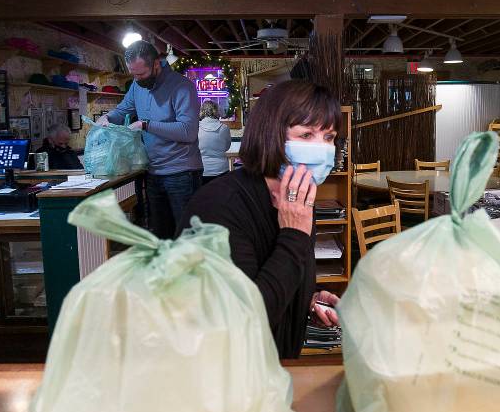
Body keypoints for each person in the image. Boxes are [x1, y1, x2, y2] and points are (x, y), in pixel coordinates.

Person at [178, 80, 341, 359]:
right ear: (271, 134)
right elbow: (241, 323)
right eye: (306, 135)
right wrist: (294, 235)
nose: (323, 149)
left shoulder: (296, 201)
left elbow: (272, 279)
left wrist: (305, 302)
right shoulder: (218, 207)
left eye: (329, 137)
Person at [97, 40, 201, 239]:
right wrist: (108, 117)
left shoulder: (182, 87)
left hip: (182, 172)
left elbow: (188, 131)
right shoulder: (137, 86)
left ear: (156, 64)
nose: (137, 79)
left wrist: (146, 125)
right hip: (153, 171)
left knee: (187, 236)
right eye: (133, 74)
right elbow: (123, 110)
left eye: (141, 74)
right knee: (161, 235)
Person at [198, 100, 232, 184]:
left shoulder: (196, 127)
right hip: (221, 169)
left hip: (202, 169)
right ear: (217, 111)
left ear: (202, 111)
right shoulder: (224, 128)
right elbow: (227, 146)